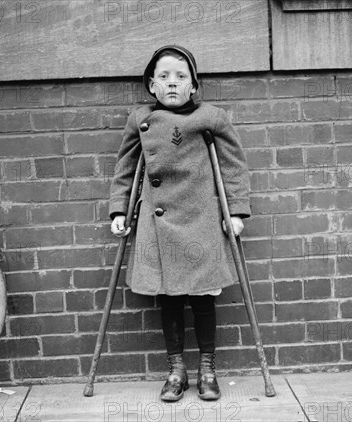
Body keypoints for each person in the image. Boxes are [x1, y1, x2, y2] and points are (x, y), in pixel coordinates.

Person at [109, 45, 251, 402]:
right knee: (168, 298)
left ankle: (207, 368)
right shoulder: (139, 119)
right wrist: (119, 211)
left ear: (193, 85)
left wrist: (235, 212)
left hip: (200, 219)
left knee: (203, 296)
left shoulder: (211, 117)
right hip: (158, 221)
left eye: (181, 76)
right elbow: (126, 168)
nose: (172, 83)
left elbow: (233, 167)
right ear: (152, 86)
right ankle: (176, 370)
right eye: (164, 77)